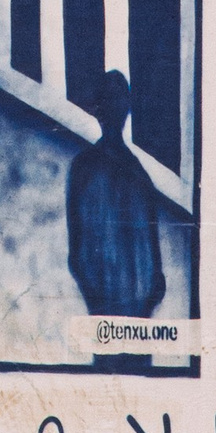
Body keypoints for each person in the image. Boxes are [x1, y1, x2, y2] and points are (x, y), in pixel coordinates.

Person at [66, 69, 165, 319]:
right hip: (110, 315)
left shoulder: (138, 176)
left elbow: (156, 269)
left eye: (119, 99)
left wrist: (145, 307)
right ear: (98, 109)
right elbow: (77, 254)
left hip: (132, 317)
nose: (116, 107)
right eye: (109, 99)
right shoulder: (86, 169)